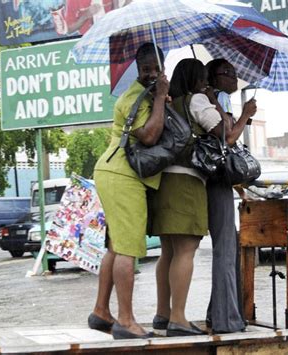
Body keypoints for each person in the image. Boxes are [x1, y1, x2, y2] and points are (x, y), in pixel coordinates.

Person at [88, 43, 169, 339]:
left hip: (114, 171)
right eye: (146, 69)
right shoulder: (136, 97)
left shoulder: (144, 94)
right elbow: (149, 136)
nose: (150, 74)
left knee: (116, 244)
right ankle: (125, 319)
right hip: (122, 175)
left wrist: (159, 96)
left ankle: (101, 311)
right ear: (138, 69)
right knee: (128, 248)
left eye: (155, 69)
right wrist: (161, 96)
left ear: (162, 67)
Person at [151, 58, 230, 336]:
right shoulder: (196, 100)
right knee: (186, 251)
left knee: (168, 252)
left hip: (163, 181)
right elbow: (223, 131)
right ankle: (179, 318)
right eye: (203, 79)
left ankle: (162, 314)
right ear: (197, 80)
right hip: (187, 181)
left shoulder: (167, 102)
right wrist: (213, 100)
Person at [204, 59, 257, 333]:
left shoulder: (216, 98)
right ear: (214, 77)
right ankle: (227, 319)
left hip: (219, 180)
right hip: (214, 181)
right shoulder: (213, 99)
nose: (235, 78)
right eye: (229, 73)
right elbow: (228, 139)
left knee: (229, 248)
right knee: (225, 249)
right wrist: (246, 114)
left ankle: (220, 313)